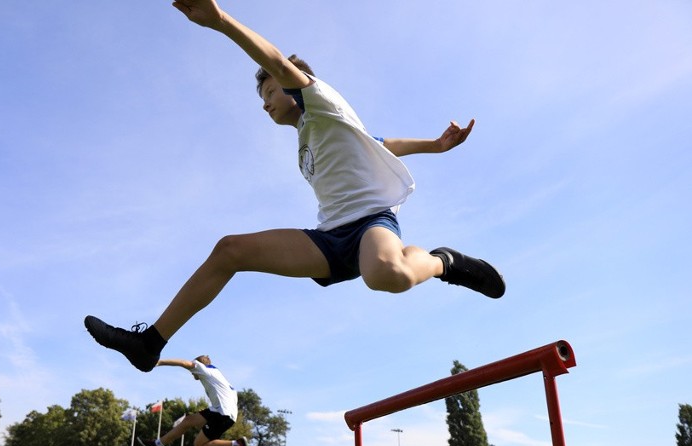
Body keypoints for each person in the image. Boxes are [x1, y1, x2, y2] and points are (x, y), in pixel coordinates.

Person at [84, 0, 506, 373]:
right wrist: (434, 144)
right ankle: (150, 342)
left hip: (372, 225)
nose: (265, 102)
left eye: (269, 91)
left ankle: (443, 261)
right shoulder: (313, 134)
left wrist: (220, 20)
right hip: (330, 239)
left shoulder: (321, 102)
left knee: (387, 274)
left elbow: (281, 65)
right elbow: (380, 143)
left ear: (292, 86)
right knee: (230, 249)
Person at [135, 355, 250, 446]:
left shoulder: (204, 369)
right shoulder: (216, 374)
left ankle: (237, 444)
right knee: (188, 421)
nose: (192, 373)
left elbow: (183, 363)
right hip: (220, 410)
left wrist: (158, 362)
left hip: (223, 414)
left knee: (198, 445)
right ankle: (157, 445)